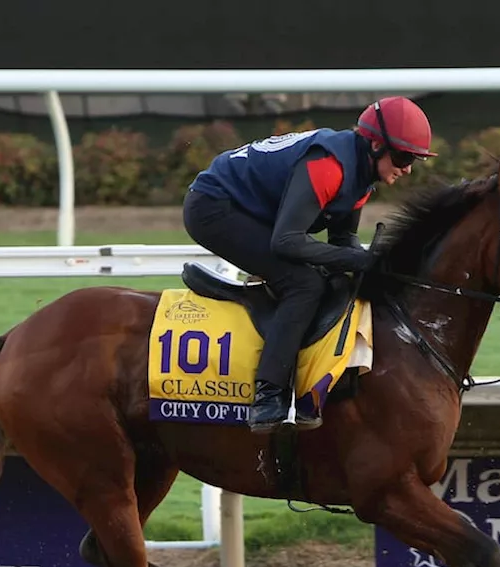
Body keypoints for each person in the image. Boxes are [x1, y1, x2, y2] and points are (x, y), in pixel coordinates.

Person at [182, 96, 438, 433]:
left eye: (414, 161)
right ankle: (269, 395)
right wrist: (361, 259)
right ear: (375, 145)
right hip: (213, 208)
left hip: (255, 212)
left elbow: (342, 241)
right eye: (404, 157)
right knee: (304, 283)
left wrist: (373, 267)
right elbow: (286, 241)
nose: (407, 168)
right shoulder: (329, 166)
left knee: (338, 280)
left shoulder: (361, 174)